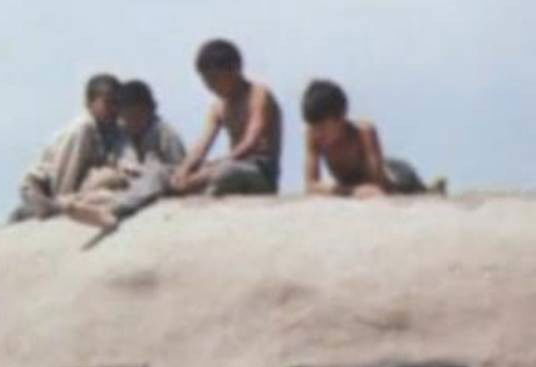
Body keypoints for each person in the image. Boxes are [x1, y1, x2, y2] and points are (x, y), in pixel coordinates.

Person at [65, 79, 187, 230]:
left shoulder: (164, 133)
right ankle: (77, 203)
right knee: (102, 176)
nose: (133, 122)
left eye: (137, 116)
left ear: (151, 109)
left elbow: (179, 168)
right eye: (127, 117)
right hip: (126, 183)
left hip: (155, 182)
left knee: (156, 173)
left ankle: (111, 211)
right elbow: (113, 161)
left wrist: (145, 171)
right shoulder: (122, 135)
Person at [171, 39, 282, 196]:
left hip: (259, 172)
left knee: (224, 172)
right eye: (206, 81)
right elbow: (202, 146)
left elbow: (251, 142)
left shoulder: (258, 95)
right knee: (167, 172)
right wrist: (183, 170)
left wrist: (215, 167)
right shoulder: (219, 107)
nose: (210, 86)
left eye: (214, 79)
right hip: (230, 165)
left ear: (235, 69)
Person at [10, 74, 125, 222]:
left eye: (118, 103)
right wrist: (63, 204)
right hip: (43, 192)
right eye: (108, 103)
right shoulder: (82, 129)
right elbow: (64, 176)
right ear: (90, 103)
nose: (114, 109)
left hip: (76, 190)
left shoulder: (115, 129)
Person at [302, 79, 443, 197]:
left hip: (394, 173)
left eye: (323, 127)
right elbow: (311, 184)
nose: (318, 133)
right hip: (356, 182)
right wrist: (351, 191)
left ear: (341, 118)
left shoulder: (363, 133)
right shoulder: (314, 137)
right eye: (314, 127)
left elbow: (378, 184)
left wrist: (349, 190)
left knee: (410, 190)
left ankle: (430, 189)